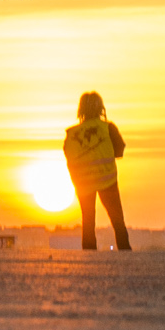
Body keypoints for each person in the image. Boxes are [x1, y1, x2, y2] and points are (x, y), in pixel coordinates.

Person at [60, 92, 129, 251]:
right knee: (117, 219)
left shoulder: (72, 133)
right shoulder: (107, 127)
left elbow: (67, 152)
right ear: (101, 108)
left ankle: (89, 253)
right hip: (107, 180)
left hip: (83, 182)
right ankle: (125, 251)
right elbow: (120, 149)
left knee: (88, 220)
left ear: (80, 109)